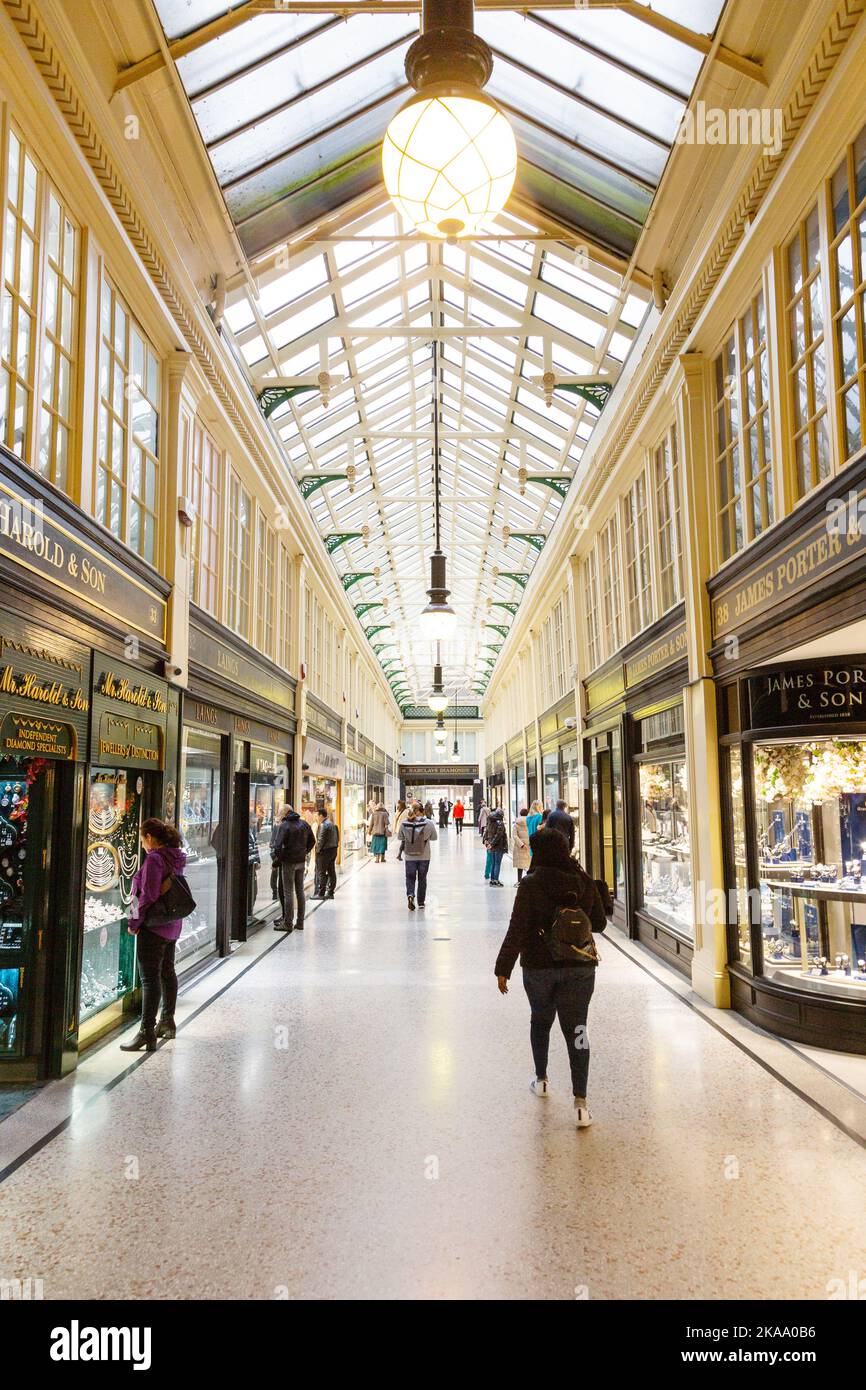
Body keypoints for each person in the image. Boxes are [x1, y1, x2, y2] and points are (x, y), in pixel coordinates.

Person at [494, 827, 606, 1128]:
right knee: (578, 1030)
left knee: (540, 1021)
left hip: (538, 967)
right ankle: (581, 1103)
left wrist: (503, 968)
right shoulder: (582, 880)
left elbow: (517, 929)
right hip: (580, 968)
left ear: (539, 851)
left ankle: (542, 1079)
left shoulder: (530, 884)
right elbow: (599, 924)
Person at [121, 819, 188, 1051]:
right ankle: (167, 1022)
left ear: (149, 837)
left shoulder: (155, 860)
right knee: (167, 972)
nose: (142, 844)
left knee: (150, 979)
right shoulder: (176, 857)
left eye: (142, 839)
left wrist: (134, 922)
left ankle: (146, 1032)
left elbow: (147, 895)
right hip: (172, 925)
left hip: (154, 926)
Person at [271, 805, 315, 932]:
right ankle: (300, 922)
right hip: (300, 862)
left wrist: (280, 859)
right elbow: (312, 841)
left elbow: (277, 847)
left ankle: (288, 923)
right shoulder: (304, 824)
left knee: (288, 893)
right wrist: (304, 852)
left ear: (285, 814)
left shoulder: (284, 826)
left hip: (288, 863)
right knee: (300, 891)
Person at [399, 803, 438, 910]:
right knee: (422, 879)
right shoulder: (429, 823)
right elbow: (434, 837)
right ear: (423, 811)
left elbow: (400, 837)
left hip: (409, 856)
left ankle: (410, 895)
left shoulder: (405, 823)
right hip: (424, 856)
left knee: (410, 878)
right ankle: (421, 902)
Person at [313, 808, 339, 900]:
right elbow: (337, 838)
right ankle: (331, 892)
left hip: (325, 852)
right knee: (331, 871)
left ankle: (321, 893)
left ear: (321, 815)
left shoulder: (324, 825)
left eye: (317, 815)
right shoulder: (331, 824)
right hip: (333, 850)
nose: (316, 818)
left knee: (321, 872)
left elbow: (321, 840)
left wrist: (317, 851)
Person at [270, 804, 290, 904]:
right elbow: (273, 842)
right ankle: (274, 892)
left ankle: (285, 916)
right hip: (283, 858)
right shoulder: (278, 825)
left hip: (283, 859)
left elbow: (276, 844)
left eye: (281, 812)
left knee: (284, 887)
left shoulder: (282, 826)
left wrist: (277, 860)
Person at [483, 806, 508, 886]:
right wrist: (492, 844)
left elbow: (486, 833)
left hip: (491, 846)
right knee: (497, 863)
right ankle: (496, 880)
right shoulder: (500, 823)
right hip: (498, 846)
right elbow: (498, 835)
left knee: (493, 863)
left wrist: (487, 843)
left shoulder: (490, 821)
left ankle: (493, 880)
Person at [512, 807, 531, 882]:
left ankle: (519, 881)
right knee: (529, 865)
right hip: (529, 846)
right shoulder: (530, 822)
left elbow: (514, 836)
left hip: (519, 847)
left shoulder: (516, 823)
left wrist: (521, 844)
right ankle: (528, 881)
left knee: (520, 866)